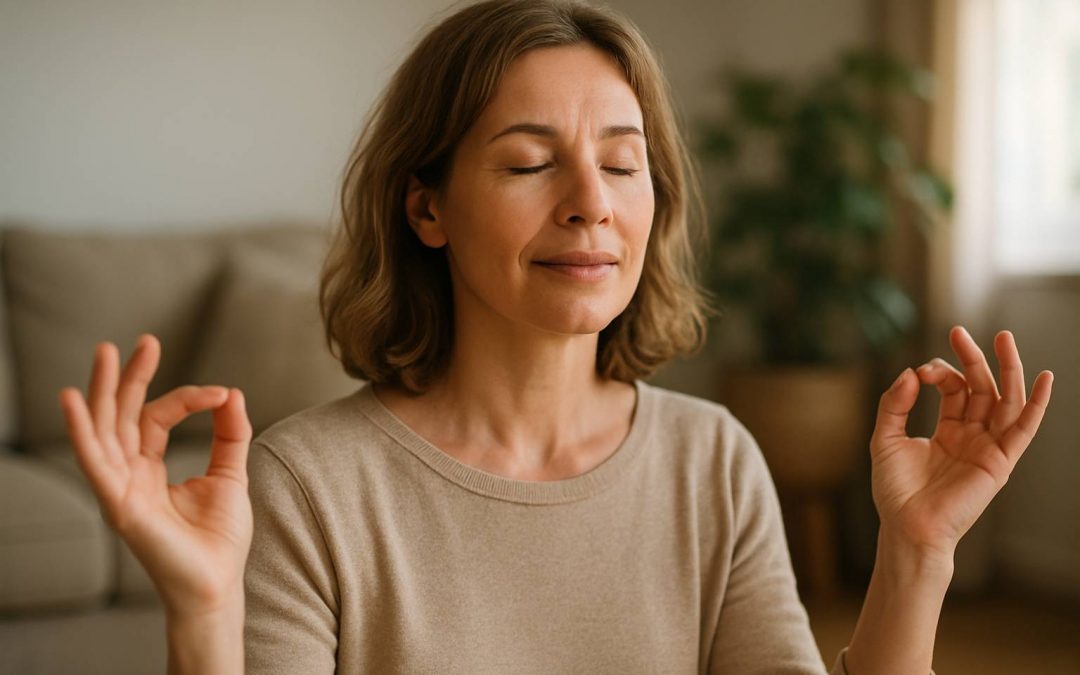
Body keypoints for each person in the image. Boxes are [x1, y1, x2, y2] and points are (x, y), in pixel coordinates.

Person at [58, 1, 1054, 673]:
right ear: (428, 209)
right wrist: (200, 615)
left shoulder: (713, 459)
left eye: (623, 166)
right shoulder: (310, 483)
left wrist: (918, 552)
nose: (591, 206)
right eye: (531, 163)